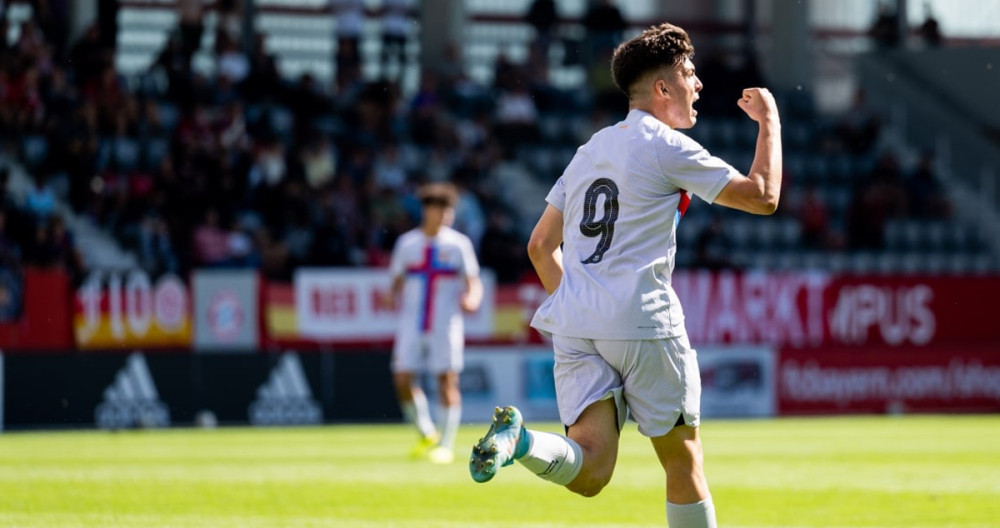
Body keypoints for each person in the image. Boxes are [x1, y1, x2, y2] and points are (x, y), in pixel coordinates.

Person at [468, 22, 782, 528]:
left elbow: (540, 246)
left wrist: (582, 303)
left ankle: (521, 441)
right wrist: (770, 123)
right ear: (663, 87)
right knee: (683, 461)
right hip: (643, 321)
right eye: (689, 73)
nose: (698, 84)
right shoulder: (664, 145)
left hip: (576, 322)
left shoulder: (589, 150)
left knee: (590, 471)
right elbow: (763, 197)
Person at [390, 182, 483, 464]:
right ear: (426, 210)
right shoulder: (407, 244)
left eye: (449, 210)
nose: (446, 215)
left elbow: (473, 281)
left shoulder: (458, 244)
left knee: (446, 379)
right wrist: (389, 295)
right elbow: (396, 279)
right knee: (402, 378)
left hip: (445, 322)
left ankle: (446, 444)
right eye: (440, 209)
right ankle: (426, 431)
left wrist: (473, 299)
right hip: (412, 322)